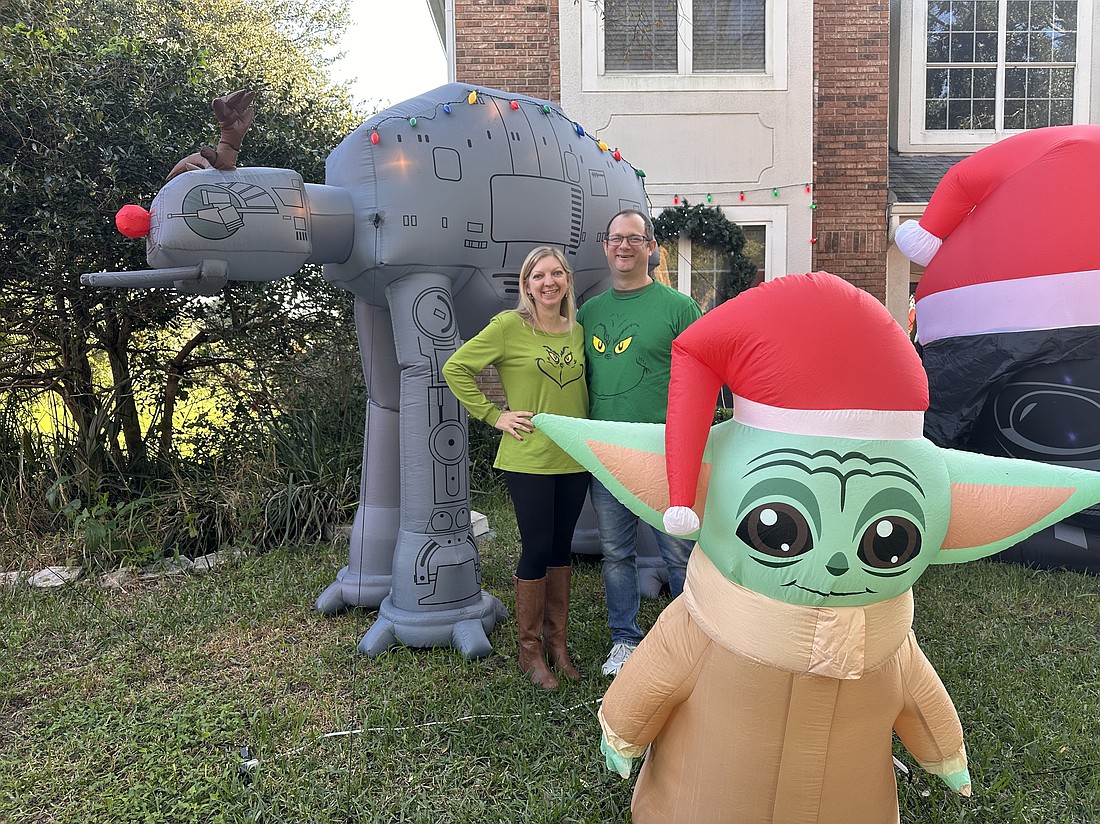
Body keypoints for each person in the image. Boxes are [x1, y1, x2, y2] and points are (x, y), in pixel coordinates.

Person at [443, 246, 590, 690]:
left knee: (563, 548)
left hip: (574, 457)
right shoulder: (509, 327)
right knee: (537, 547)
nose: (549, 282)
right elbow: (457, 368)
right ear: (526, 285)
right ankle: (529, 651)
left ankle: (556, 643)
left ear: (566, 280)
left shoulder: (577, 331)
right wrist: (495, 415)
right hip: (528, 457)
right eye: (539, 275)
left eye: (557, 273)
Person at [577, 209, 703, 676]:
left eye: (634, 238)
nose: (623, 246)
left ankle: (694, 638)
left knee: (679, 550)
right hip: (609, 454)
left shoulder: (678, 308)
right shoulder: (589, 313)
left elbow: (701, 377)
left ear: (651, 247)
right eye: (615, 238)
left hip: (665, 453)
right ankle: (625, 639)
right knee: (616, 552)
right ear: (605, 246)